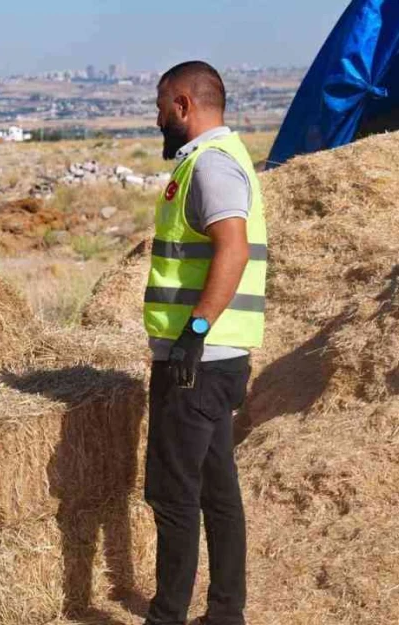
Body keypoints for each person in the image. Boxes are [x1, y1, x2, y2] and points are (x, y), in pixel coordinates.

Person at [142, 61, 268, 625]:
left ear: (185, 104)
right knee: (217, 491)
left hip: (196, 363)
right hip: (214, 362)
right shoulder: (215, 161)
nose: (158, 117)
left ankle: (165, 615)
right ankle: (225, 613)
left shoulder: (212, 167)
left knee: (174, 497)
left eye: (162, 105)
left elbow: (233, 250)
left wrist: (194, 333)